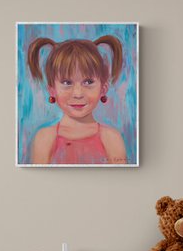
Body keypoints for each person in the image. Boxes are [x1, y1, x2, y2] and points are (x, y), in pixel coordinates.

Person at [26, 35, 127, 165]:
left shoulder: (111, 138)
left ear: (103, 88)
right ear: (52, 90)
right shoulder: (44, 138)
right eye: (67, 82)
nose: (78, 94)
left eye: (88, 82)